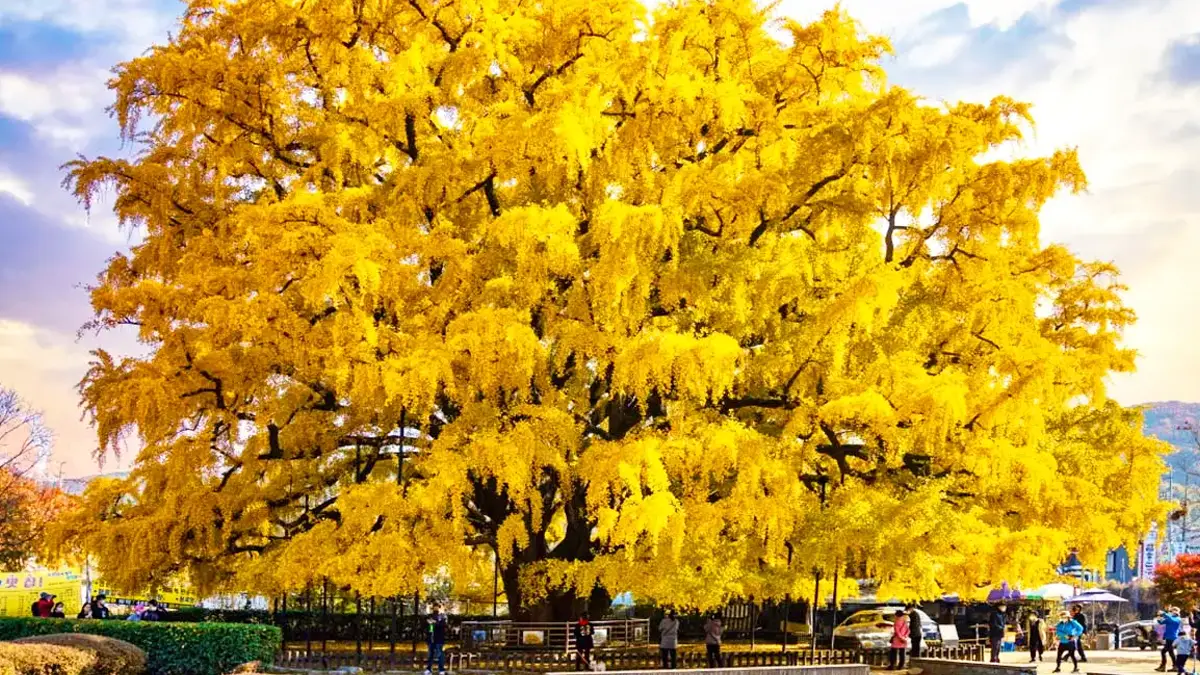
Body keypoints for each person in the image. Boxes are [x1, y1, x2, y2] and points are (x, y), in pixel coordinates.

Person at [424, 602, 448, 675]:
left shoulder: (443, 616)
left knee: (439, 654)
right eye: (435, 607)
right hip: (431, 638)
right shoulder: (430, 616)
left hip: (439, 638)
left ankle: (441, 670)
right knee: (430, 654)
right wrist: (431, 623)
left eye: (437, 607)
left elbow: (443, 625)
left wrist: (435, 623)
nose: (436, 608)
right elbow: (427, 625)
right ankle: (429, 669)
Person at [1160, 607, 1184, 672]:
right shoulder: (1170, 618)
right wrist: (1159, 617)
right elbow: (1161, 622)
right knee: (1169, 652)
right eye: (1172, 610)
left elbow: (1171, 620)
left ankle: (1165, 666)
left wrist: (1164, 613)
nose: (1172, 611)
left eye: (1174, 610)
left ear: (1177, 612)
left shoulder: (1178, 619)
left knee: (1166, 651)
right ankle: (1171, 666)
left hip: (1173, 637)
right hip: (1168, 637)